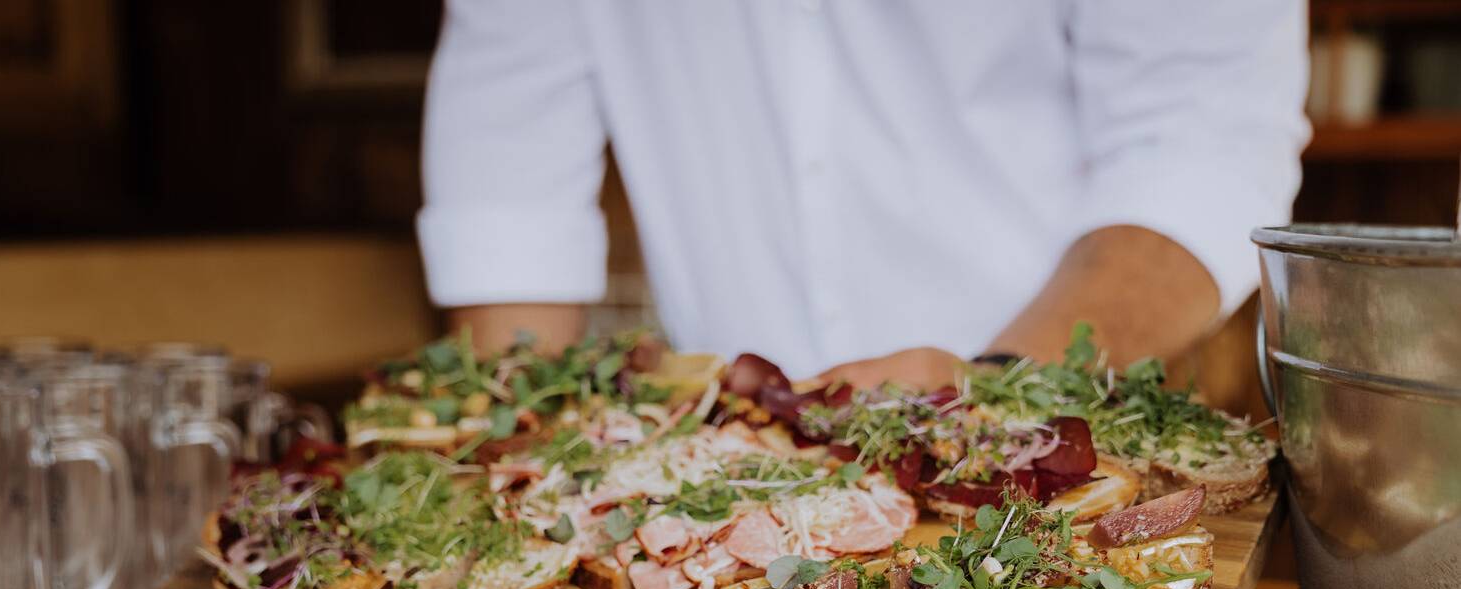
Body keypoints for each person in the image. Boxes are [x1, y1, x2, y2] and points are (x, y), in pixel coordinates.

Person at [418, 1, 1307, 387]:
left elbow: (1201, 138)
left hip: (1061, 405)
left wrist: (998, 394)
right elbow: (509, 152)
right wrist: (519, 453)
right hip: (720, 462)